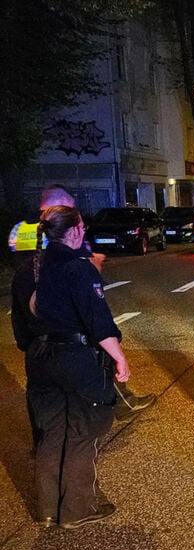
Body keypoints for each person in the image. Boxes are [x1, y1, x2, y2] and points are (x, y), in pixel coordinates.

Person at [13, 206, 128, 528]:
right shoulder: (79, 268)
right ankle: (77, 510)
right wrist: (119, 357)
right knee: (82, 432)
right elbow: (98, 321)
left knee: (51, 433)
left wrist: (36, 350)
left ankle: (48, 509)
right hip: (77, 358)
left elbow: (21, 328)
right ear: (76, 230)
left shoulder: (29, 269)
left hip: (39, 359)